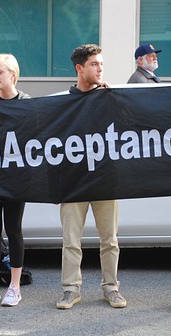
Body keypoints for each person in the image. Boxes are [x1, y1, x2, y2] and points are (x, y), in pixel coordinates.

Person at [56, 44, 126, 310]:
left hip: (106, 180)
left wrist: (114, 100)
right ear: (79, 68)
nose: (100, 69)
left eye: (101, 64)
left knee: (110, 240)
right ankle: (70, 289)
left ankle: (112, 288)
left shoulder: (108, 98)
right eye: (94, 64)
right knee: (71, 240)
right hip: (73, 182)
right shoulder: (62, 103)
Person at [0, 53, 30, 307]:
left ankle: (14, 286)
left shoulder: (28, 104)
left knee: (13, 229)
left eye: (0, 72)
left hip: (15, 180)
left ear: (13, 74)